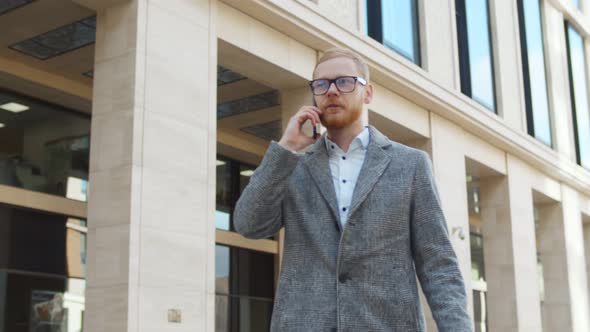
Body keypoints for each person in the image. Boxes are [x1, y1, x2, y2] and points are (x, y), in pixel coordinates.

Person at [233, 48, 472, 332]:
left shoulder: (410, 164)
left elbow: (438, 264)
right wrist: (285, 149)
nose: (332, 91)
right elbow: (248, 224)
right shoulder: (292, 166)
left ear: (367, 93)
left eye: (344, 82)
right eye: (321, 84)